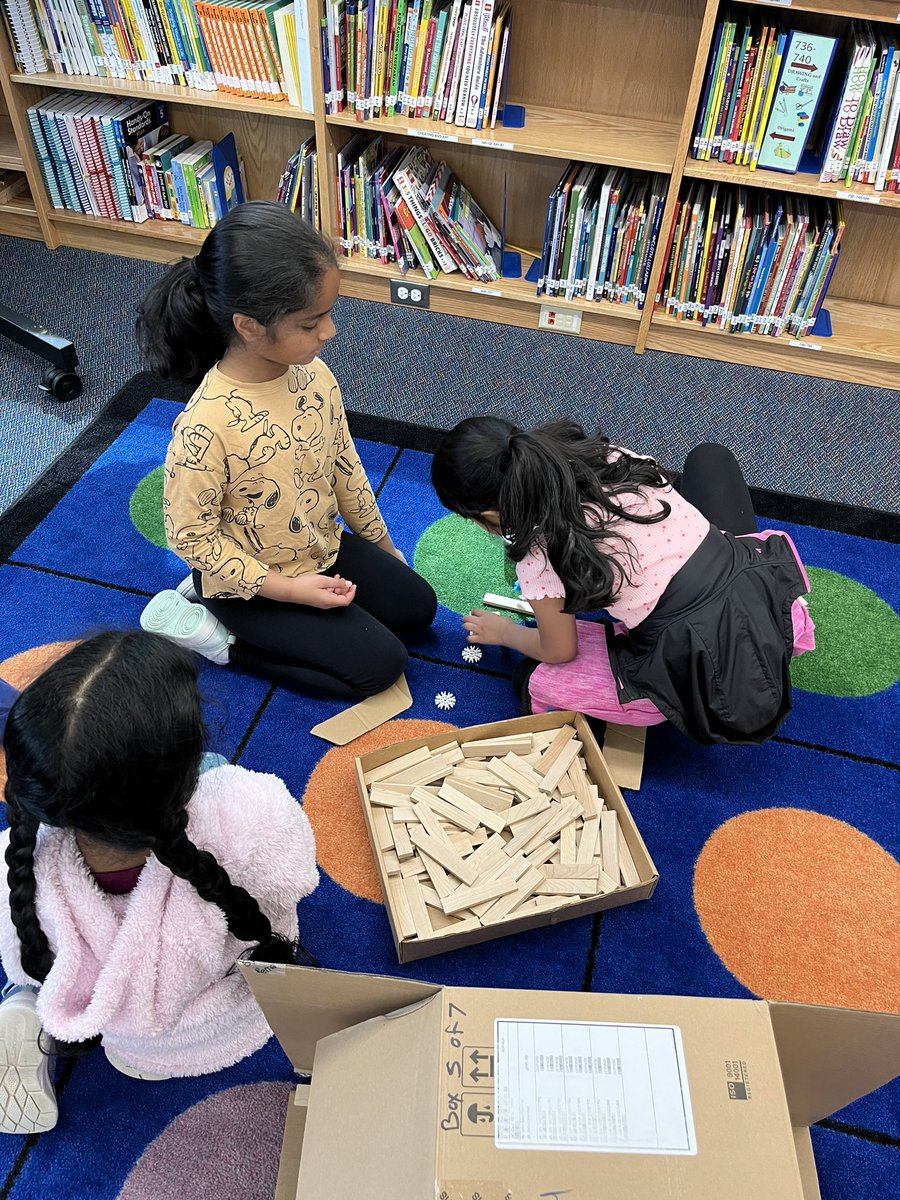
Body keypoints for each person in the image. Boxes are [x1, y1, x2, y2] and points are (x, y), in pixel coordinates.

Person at [0, 631, 318, 1134]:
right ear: (183, 770)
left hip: (121, 1032)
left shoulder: (15, 866)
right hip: (201, 1034)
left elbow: (20, 954)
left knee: (31, 969)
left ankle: (30, 1007)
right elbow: (291, 885)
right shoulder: (256, 816)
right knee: (223, 773)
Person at [135, 200, 436, 698]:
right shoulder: (205, 426)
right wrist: (293, 591)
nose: (329, 332)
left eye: (329, 313)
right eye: (310, 323)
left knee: (417, 609)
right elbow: (190, 538)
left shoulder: (314, 375)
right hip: (249, 585)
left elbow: (344, 467)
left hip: (316, 546)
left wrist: (384, 548)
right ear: (249, 326)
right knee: (380, 668)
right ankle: (222, 641)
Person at [431, 418, 815, 745]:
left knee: (531, 677)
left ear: (488, 514)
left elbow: (559, 649)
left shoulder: (539, 554)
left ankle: (663, 699)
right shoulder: (606, 456)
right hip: (769, 601)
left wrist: (505, 633)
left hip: (702, 674)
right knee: (709, 458)